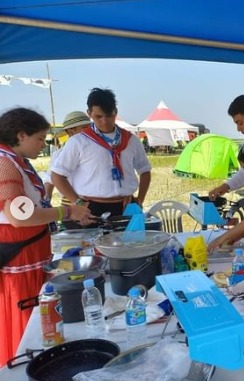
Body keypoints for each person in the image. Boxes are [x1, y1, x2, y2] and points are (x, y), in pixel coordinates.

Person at [0, 108, 92, 367]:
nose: (44, 144)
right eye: (40, 138)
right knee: (25, 318)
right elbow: (19, 216)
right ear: (21, 135)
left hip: (32, 249)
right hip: (19, 257)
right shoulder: (4, 163)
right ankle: (23, 364)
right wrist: (67, 210)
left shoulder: (16, 160)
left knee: (38, 315)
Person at [51, 88, 152, 219]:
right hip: (91, 207)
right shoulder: (79, 141)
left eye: (109, 115)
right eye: (98, 116)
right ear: (89, 113)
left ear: (116, 112)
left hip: (127, 205)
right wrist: (78, 202)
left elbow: (145, 170)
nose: (104, 121)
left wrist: (140, 200)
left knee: (131, 240)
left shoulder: (131, 140)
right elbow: (57, 175)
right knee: (91, 240)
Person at [42, 111, 90, 204]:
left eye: (90, 128)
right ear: (71, 131)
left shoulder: (95, 151)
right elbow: (50, 179)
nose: (89, 131)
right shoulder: (59, 154)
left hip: (93, 202)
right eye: (84, 128)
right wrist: (46, 201)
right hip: (70, 203)